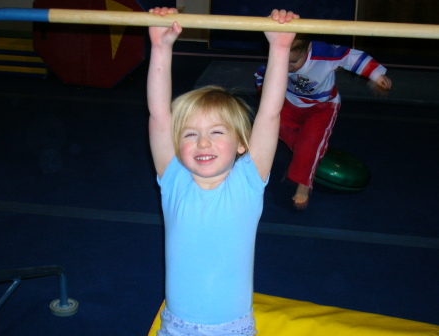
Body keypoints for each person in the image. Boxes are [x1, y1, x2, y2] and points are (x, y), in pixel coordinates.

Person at [147, 7, 298, 336]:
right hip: (176, 328)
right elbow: (159, 117)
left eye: (217, 133)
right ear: (177, 145)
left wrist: (280, 48)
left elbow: (269, 115)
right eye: (190, 134)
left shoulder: (247, 181)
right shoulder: (174, 182)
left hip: (232, 329)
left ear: (242, 145)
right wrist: (161, 46)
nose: (203, 143)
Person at [255, 35, 392, 210]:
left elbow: (351, 56)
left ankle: (304, 184)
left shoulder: (324, 53)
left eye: (293, 62)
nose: (287, 67)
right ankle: (306, 155)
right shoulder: (279, 58)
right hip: (289, 101)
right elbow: (261, 75)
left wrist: (375, 74)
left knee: (311, 140)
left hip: (322, 106)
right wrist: (264, 94)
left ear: (308, 49)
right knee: (276, 127)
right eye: (283, 61)